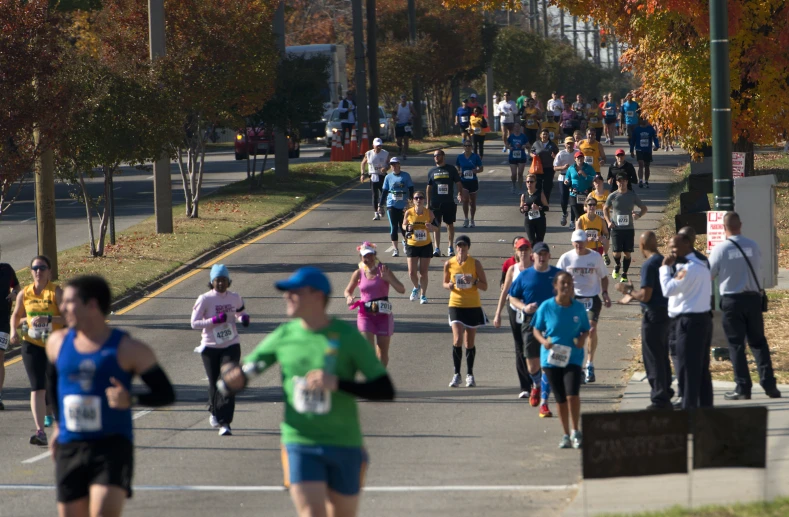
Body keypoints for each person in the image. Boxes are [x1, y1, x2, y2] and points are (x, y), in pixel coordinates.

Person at [217, 267, 395, 517]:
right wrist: (232, 376)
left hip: (344, 443)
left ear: (317, 296)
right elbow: (245, 372)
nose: (286, 297)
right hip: (299, 443)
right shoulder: (284, 336)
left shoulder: (347, 337)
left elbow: (384, 389)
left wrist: (338, 384)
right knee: (312, 513)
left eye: (294, 292)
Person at [46, 275, 175, 517]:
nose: (61, 308)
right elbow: (52, 382)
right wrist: (57, 425)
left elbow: (166, 393)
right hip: (70, 446)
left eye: (69, 302)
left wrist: (131, 399)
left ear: (92, 305)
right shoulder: (57, 342)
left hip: (111, 446)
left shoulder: (128, 349)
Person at [709, 212, 781, 400]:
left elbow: (709, 275)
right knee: (758, 343)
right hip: (753, 300)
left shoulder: (720, 249)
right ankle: (769, 385)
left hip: (732, 302)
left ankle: (743, 387)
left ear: (724, 228)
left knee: (736, 345)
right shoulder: (753, 245)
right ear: (741, 224)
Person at [532, 272, 590, 448]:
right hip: (551, 360)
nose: (566, 286)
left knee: (572, 395)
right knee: (560, 399)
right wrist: (544, 341)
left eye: (569, 283)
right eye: (563, 283)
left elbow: (586, 329)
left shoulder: (578, 308)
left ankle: (575, 431)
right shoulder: (547, 307)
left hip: (572, 357)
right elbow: (536, 329)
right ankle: (565, 434)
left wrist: (582, 339)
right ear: (555, 286)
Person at [10, 255, 63, 445]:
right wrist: (13, 331)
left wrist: (48, 320)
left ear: (49, 271)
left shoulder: (56, 292)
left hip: (54, 345)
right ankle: (40, 431)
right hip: (31, 345)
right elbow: (16, 315)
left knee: (54, 385)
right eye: (35, 268)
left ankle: (62, 425)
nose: (38, 271)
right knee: (37, 388)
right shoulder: (25, 293)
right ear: (31, 271)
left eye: (42, 268)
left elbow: (69, 319)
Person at [190, 264, 249, 436]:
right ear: (212, 282)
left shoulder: (235, 297)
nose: (221, 284)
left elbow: (240, 312)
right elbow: (194, 323)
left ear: (229, 281)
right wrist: (214, 320)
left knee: (229, 381)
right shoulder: (205, 299)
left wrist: (243, 318)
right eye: (217, 281)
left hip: (231, 344)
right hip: (210, 346)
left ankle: (225, 422)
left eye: (224, 280)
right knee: (214, 382)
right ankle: (214, 409)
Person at [616, 231, 673, 409]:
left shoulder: (649, 265)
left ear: (641, 246)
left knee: (653, 358)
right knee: (662, 356)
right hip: (666, 314)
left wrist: (628, 291)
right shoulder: (662, 260)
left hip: (653, 315)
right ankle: (666, 391)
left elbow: (646, 295)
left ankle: (659, 398)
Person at [508, 242, 562, 418]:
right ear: (534, 256)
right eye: (539, 254)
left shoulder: (557, 275)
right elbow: (512, 296)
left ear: (549, 256)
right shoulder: (525, 276)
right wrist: (524, 307)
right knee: (532, 364)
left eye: (545, 254)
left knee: (548, 364)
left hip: (552, 323)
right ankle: (536, 385)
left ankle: (544, 403)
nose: (542, 256)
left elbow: (569, 294)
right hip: (531, 321)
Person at [659, 234, 713, 410]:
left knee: (687, 368)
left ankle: (688, 407)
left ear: (686, 244)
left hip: (688, 322)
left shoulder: (688, 269)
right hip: (703, 319)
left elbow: (667, 290)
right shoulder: (701, 265)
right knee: (702, 368)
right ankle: (705, 406)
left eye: (674, 247)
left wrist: (664, 269)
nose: (671, 252)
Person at [557, 230, 611, 384]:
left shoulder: (595, 257)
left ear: (586, 242)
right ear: (572, 242)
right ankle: (577, 367)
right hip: (572, 300)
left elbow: (604, 277)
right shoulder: (566, 258)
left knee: (591, 329)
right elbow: (557, 278)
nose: (578, 245)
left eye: (581, 242)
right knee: (574, 334)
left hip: (592, 298)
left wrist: (605, 293)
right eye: (576, 242)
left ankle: (590, 364)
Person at [344, 242, 406, 367]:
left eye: (370, 255)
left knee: (382, 354)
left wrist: (388, 279)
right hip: (365, 315)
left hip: (383, 315)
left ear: (374, 255)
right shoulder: (358, 273)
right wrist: (349, 297)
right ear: (361, 257)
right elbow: (347, 290)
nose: (367, 259)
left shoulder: (383, 270)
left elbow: (401, 289)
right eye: (364, 256)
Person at [443, 235, 488, 388]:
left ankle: (469, 374)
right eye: (459, 247)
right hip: (455, 304)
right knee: (457, 340)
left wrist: (474, 281)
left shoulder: (475, 264)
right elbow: (445, 282)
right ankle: (456, 374)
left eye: (464, 247)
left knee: (469, 342)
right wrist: (448, 285)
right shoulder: (449, 263)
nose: (461, 250)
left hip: (472, 305)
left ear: (468, 248)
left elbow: (484, 286)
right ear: (455, 248)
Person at [493, 238, 536, 399]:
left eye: (526, 248)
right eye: (520, 249)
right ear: (516, 252)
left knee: (531, 346)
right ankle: (525, 386)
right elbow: (505, 292)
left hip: (533, 311)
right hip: (515, 310)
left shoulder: (536, 267)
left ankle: (534, 381)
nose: (523, 252)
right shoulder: (512, 269)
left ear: (530, 251)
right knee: (519, 346)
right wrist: (497, 314)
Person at [604, 172, 648, 282]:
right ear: (616, 182)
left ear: (627, 182)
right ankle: (618, 265)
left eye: (624, 181)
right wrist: (608, 221)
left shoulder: (632, 195)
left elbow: (644, 208)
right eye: (619, 181)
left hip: (628, 228)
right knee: (616, 252)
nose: (622, 183)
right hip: (616, 228)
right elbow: (605, 208)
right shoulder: (613, 196)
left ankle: (624, 273)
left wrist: (638, 215)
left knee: (627, 253)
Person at [426, 149, 463, 257]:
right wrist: (428, 203)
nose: (436, 157)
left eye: (438, 155)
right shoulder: (431, 171)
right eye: (434, 156)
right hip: (436, 202)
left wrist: (460, 193)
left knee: (449, 224)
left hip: (448, 201)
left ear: (443, 156)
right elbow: (429, 187)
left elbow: (458, 182)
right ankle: (436, 248)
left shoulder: (451, 169)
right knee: (436, 225)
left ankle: (450, 247)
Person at [402, 191, 436, 304]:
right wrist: (407, 227)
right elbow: (403, 225)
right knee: (412, 272)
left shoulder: (429, 213)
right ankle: (416, 287)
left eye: (421, 198)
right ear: (413, 200)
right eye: (416, 198)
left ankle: (423, 295)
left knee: (423, 272)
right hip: (412, 244)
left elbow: (437, 228)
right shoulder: (409, 213)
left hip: (425, 245)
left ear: (424, 200)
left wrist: (431, 227)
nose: (418, 200)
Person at [379, 156, 415, 257]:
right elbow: (384, 192)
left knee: (403, 227)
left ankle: (405, 242)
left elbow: (411, 189)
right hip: (392, 205)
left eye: (395, 164)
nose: (394, 166)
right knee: (394, 227)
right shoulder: (388, 177)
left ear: (399, 164)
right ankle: (395, 249)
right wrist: (380, 205)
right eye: (392, 164)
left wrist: (411, 203)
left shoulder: (406, 176)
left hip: (404, 205)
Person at [0, 250, 20, 410]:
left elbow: (18, 289)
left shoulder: (7, 269)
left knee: (0, 359)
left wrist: (14, 294)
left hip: (2, 322)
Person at [564, 151, 596, 230]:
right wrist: (566, 181)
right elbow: (567, 177)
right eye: (578, 158)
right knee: (577, 213)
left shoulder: (588, 167)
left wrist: (585, 175)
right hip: (574, 194)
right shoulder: (571, 168)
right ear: (575, 159)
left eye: (581, 157)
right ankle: (578, 230)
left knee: (584, 212)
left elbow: (595, 178)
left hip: (585, 194)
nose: (580, 159)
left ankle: (585, 228)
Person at [360, 138, 390, 220]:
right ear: (373, 146)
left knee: (384, 193)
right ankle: (376, 213)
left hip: (382, 176)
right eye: (377, 146)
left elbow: (389, 164)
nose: (378, 147)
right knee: (375, 195)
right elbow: (363, 163)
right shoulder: (368, 154)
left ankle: (381, 206)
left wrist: (385, 168)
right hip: (373, 175)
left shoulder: (385, 153)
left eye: (380, 145)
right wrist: (362, 174)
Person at [455, 141, 484, 228]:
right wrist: (459, 172)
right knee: (465, 199)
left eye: (469, 146)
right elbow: (457, 167)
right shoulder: (460, 157)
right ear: (463, 147)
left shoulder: (475, 157)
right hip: (463, 181)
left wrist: (477, 171)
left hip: (473, 181)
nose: (467, 147)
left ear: (471, 147)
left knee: (473, 202)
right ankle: (466, 219)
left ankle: (472, 219)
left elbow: (481, 168)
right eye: (465, 146)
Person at [576, 197, 609, 262]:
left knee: (595, 269)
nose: (592, 206)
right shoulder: (581, 220)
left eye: (594, 205)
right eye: (590, 205)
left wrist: (602, 238)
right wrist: (586, 239)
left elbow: (606, 234)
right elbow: (577, 236)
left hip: (597, 248)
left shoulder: (601, 220)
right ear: (586, 206)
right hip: (584, 248)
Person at [630, 117, 660, 188]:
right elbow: (633, 140)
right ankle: (640, 180)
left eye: (645, 119)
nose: (644, 120)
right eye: (642, 119)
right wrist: (631, 150)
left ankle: (646, 181)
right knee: (640, 164)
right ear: (640, 120)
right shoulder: (637, 129)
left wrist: (657, 145)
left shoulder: (650, 129)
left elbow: (655, 138)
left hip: (647, 150)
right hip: (639, 149)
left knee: (647, 165)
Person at [554, 137, 577, 228]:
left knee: (573, 198)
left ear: (573, 144)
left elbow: (582, 163)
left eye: (571, 143)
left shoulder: (577, 153)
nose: (569, 145)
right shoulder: (561, 153)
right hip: (563, 177)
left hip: (574, 178)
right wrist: (563, 167)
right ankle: (564, 213)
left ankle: (572, 221)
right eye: (568, 143)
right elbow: (555, 167)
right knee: (564, 197)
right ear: (565, 144)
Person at [531, 128, 559, 202]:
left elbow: (558, 155)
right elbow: (531, 152)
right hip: (538, 168)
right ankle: (537, 202)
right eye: (543, 134)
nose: (545, 135)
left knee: (547, 187)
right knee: (538, 186)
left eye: (546, 134)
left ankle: (545, 203)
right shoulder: (536, 144)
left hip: (549, 168)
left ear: (548, 135)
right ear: (540, 135)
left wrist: (554, 156)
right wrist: (533, 155)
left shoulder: (552, 145)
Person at [520, 174, 549, 245]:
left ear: (535, 182)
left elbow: (547, 207)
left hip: (540, 220)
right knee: (532, 241)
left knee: (539, 241)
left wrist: (538, 208)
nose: (529, 184)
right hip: (529, 221)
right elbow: (521, 209)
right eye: (528, 182)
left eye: (531, 182)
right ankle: (533, 256)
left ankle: (538, 255)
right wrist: (523, 209)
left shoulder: (540, 193)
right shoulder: (524, 195)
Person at [506, 122, 530, 194]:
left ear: (520, 128)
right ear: (513, 128)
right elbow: (506, 145)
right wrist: (509, 147)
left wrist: (525, 146)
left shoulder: (523, 136)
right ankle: (513, 185)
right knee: (514, 174)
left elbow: (528, 144)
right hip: (512, 157)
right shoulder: (511, 136)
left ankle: (520, 188)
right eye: (515, 127)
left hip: (521, 156)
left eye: (518, 127)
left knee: (520, 173)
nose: (517, 128)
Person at [394, 94, 417, 159]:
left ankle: (404, 153)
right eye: (402, 99)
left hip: (407, 125)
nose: (403, 100)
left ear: (406, 99)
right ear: (400, 99)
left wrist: (411, 118)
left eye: (404, 98)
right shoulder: (397, 106)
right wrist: (395, 118)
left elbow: (415, 114)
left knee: (406, 139)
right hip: (399, 125)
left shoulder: (409, 106)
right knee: (399, 141)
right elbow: (393, 114)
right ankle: (400, 147)